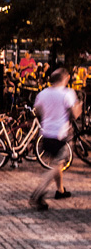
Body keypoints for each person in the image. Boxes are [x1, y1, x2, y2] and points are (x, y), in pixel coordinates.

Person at [29, 69, 81, 211]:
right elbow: (75, 115)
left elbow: (37, 110)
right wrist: (79, 107)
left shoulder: (43, 93)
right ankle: (38, 192)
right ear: (65, 78)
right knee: (56, 165)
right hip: (60, 134)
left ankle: (60, 191)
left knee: (57, 164)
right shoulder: (67, 93)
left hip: (45, 134)